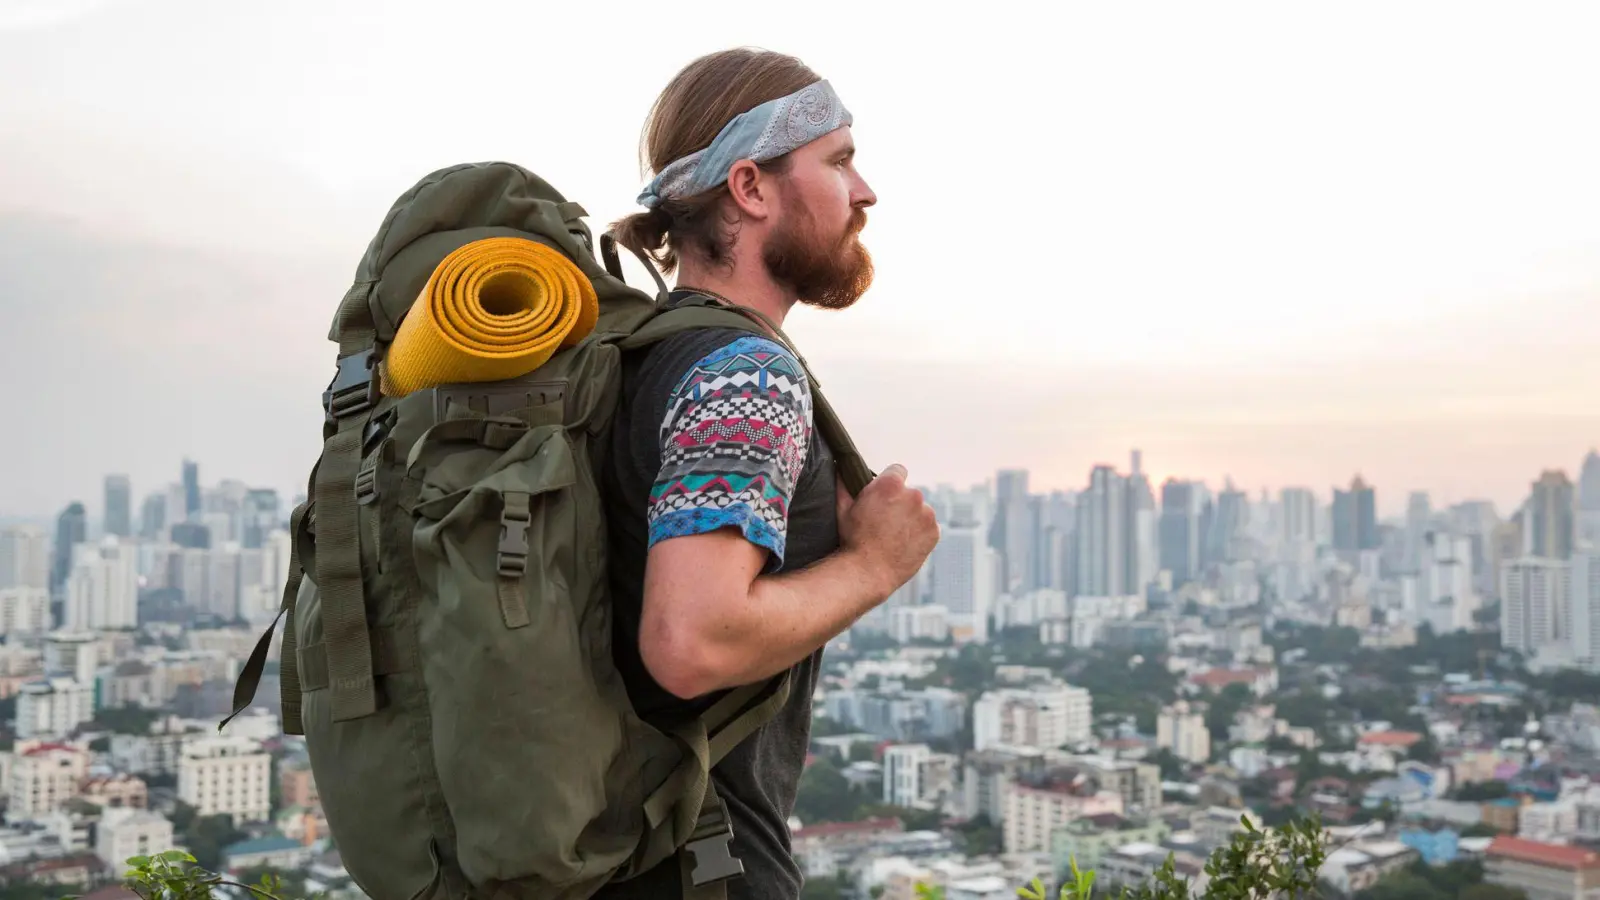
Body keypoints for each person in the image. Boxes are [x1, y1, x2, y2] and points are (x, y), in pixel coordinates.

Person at [598, 48, 941, 899]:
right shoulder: (743, 375)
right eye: (839, 162)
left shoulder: (635, 357)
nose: (864, 194)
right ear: (750, 188)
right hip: (697, 866)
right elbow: (690, 641)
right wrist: (875, 563)